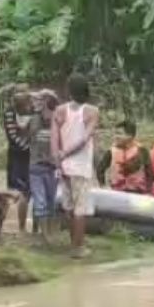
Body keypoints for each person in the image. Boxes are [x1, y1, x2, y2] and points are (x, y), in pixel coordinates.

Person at [51, 73, 99, 259]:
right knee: (80, 209)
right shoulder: (91, 111)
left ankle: (73, 245)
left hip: (64, 166)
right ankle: (79, 248)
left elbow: (54, 139)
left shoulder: (59, 110)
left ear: (68, 91)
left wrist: (58, 159)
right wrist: (66, 154)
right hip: (80, 166)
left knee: (69, 207)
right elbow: (84, 139)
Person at [28, 90, 60, 239]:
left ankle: (48, 233)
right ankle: (46, 235)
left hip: (52, 166)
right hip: (37, 165)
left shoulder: (58, 120)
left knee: (51, 202)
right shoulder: (34, 119)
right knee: (40, 202)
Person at [2, 84, 32, 233]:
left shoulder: (33, 110)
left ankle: (26, 228)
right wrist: (30, 147)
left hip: (27, 156)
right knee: (18, 192)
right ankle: (19, 226)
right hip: (18, 155)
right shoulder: (10, 112)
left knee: (28, 192)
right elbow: (12, 136)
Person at [96, 119, 154, 194]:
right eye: (115, 134)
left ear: (130, 136)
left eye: (119, 134)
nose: (116, 137)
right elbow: (100, 169)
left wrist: (149, 191)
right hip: (117, 192)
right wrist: (103, 185)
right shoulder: (111, 151)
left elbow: (149, 172)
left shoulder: (142, 150)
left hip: (138, 192)